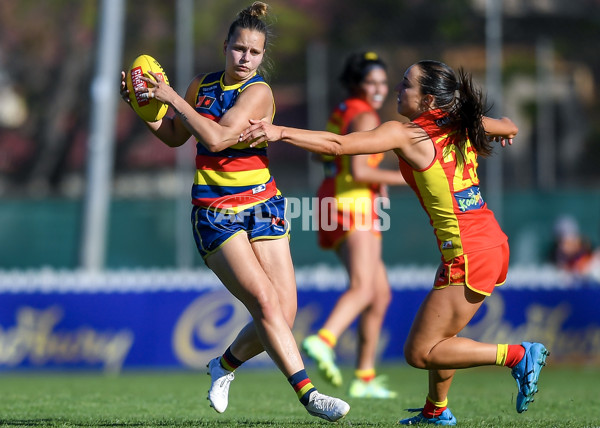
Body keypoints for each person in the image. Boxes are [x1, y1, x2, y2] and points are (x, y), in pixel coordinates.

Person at [240, 59, 549, 425]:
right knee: (444, 337)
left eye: (407, 85)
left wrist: (279, 132)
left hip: (469, 253)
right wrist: (507, 130)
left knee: (420, 352)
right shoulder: (465, 123)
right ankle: (436, 411)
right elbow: (508, 125)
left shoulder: (409, 134)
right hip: (490, 245)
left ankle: (517, 355)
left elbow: (339, 145)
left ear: (429, 100)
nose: (399, 90)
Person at [119, 2, 349, 422]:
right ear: (225, 46)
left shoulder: (258, 92)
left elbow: (219, 138)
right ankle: (309, 394)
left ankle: (222, 365)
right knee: (263, 301)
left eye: (255, 52)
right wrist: (144, 107)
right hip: (215, 211)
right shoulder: (200, 86)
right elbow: (174, 135)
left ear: (263, 57)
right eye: (239, 49)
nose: (245, 58)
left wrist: (170, 96)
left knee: (284, 311)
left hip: (262, 204)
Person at [301, 51, 405, 399]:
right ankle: (324, 339)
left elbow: (320, 153)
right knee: (363, 288)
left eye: (382, 82)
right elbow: (360, 171)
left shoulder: (343, 111)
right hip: (353, 204)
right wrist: (409, 177)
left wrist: (378, 180)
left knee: (380, 294)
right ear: (357, 84)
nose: (378, 89)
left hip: (331, 201)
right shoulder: (364, 116)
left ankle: (364, 377)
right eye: (370, 82)